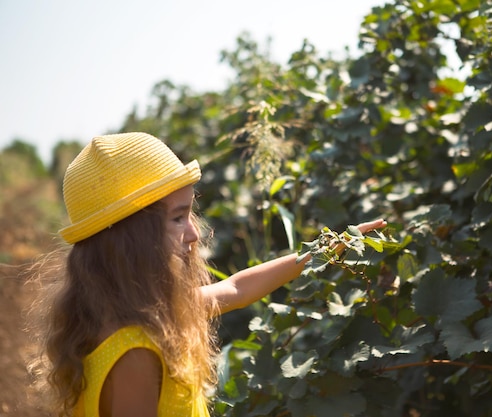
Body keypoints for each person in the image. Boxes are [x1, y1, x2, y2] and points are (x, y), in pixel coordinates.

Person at [29, 132, 386, 417]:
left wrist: (322, 250)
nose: (194, 234)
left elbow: (236, 287)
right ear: (130, 242)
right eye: (177, 218)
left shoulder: (142, 318)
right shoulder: (135, 354)